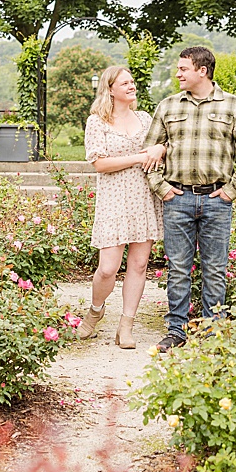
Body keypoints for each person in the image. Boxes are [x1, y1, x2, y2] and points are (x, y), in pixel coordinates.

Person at [142, 46, 236, 353]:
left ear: (202, 71)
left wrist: (231, 191)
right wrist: (162, 188)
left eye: (183, 69)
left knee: (215, 268)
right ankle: (176, 331)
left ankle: (213, 331)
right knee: (178, 268)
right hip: (177, 199)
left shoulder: (234, 107)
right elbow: (149, 153)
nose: (178, 73)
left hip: (217, 199)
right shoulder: (168, 106)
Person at [81, 66, 165, 349]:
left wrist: (157, 151)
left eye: (132, 82)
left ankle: (126, 325)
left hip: (144, 197)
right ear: (110, 89)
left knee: (139, 264)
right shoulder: (97, 121)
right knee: (107, 268)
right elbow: (100, 164)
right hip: (114, 199)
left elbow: (160, 148)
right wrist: (138, 157)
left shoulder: (144, 118)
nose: (131, 86)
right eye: (125, 83)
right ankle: (95, 311)